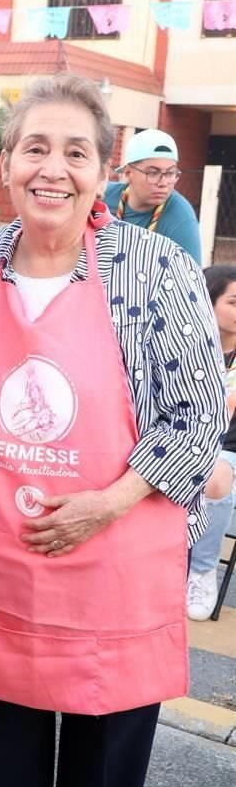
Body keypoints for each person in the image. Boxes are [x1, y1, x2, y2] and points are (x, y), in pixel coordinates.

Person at [0, 74, 227, 787]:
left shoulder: (155, 266)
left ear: (103, 171)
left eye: (75, 151)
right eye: (35, 147)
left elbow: (199, 407)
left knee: (107, 719)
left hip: (116, 534)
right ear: (5, 166)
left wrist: (108, 499)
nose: (52, 168)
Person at [187, 264, 236, 621]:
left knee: (215, 472)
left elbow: (220, 416)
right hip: (179, 443)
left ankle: (202, 571)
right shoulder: (183, 346)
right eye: (233, 302)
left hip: (226, 454)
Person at [104, 128, 201, 263]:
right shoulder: (102, 196)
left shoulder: (181, 218)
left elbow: (191, 279)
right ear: (128, 173)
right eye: (153, 173)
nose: (163, 183)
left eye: (170, 173)